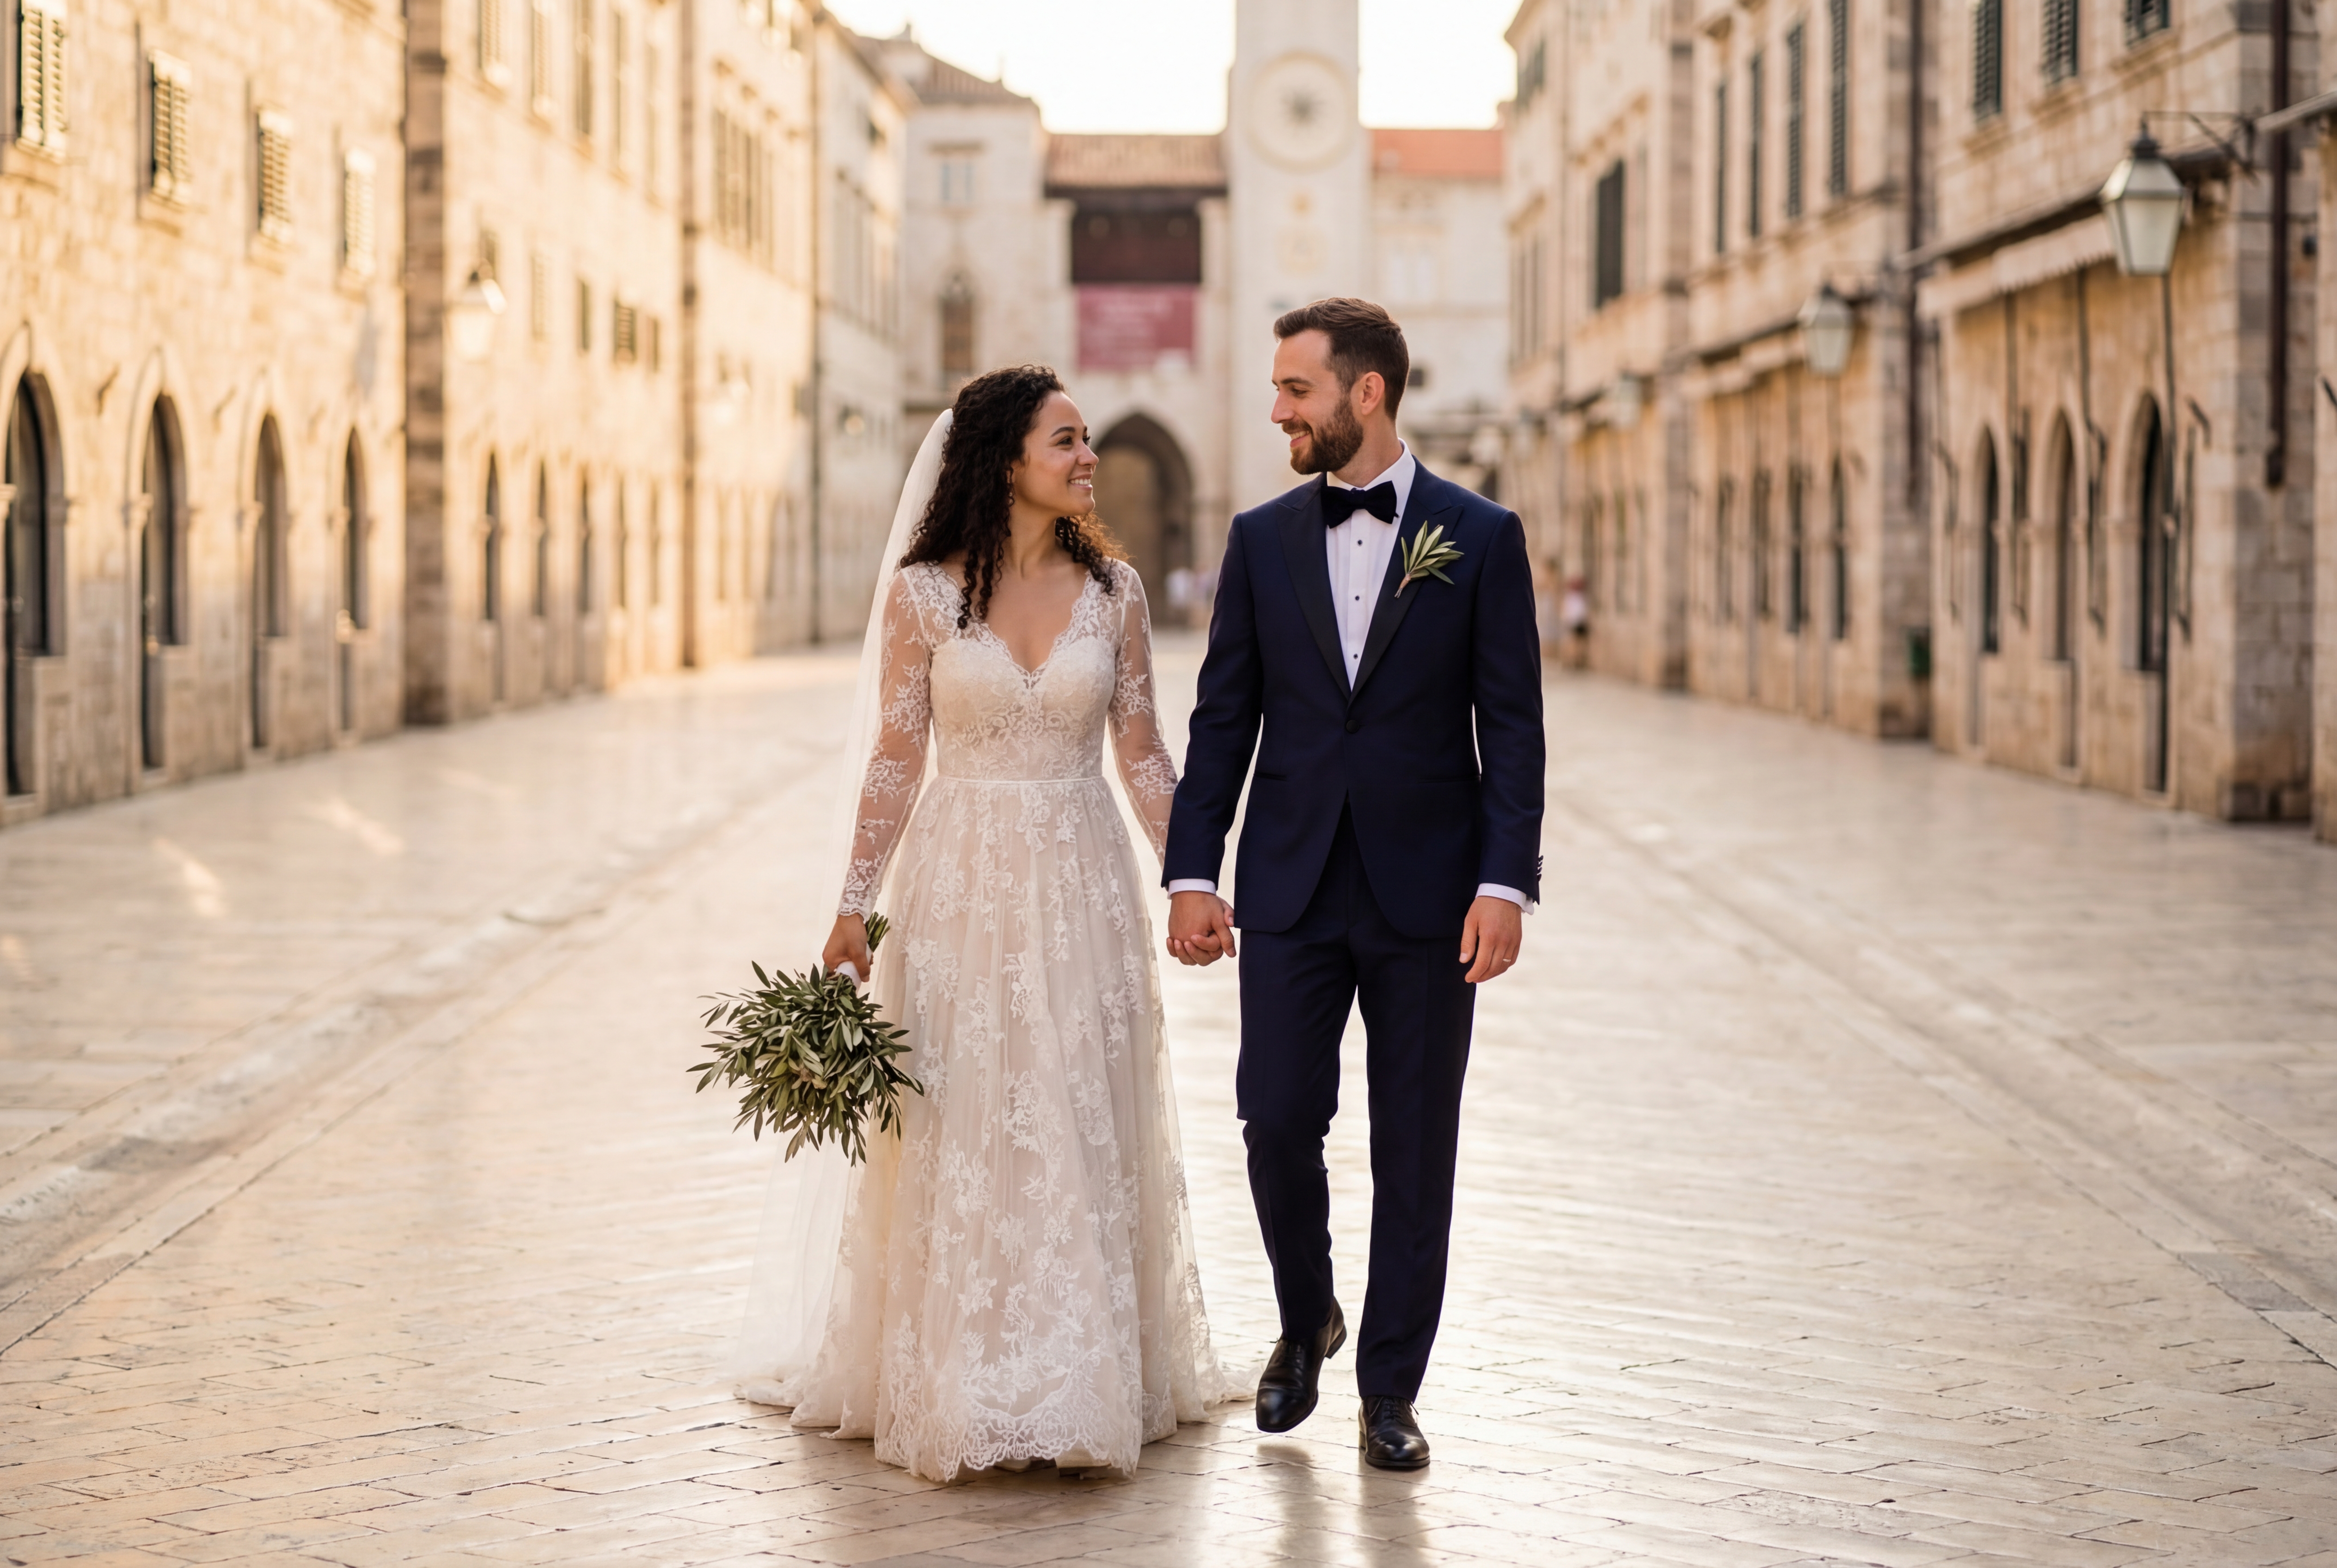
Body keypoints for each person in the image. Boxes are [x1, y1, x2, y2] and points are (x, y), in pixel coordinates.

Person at [730, 365, 1239, 1482]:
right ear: (1006, 457)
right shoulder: (921, 594)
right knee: (961, 1112)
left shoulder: (1116, 593)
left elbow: (1142, 750)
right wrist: (854, 906)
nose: (1087, 457)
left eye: (1088, 439)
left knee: (1074, 1104)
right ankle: (961, 1371)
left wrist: (1191, 876)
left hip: (1081, 884)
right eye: (1065, 440)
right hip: (956, 885)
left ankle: (1078, 1374)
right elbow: (894, 756)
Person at [1162, 298, 1545, 1471]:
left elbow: (1512, 726)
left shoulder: (1479, 537)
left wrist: (1503, 883)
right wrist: (1191, 869)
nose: (1276, 408)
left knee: (1415, 1142)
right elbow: (1222, 718)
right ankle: (1305, 1311)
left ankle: (1390, 1388)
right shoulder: (1261, 538)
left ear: (1363, 393)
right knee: (1275, 1116)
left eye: (1294, 390)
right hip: (1288, 884)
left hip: (1430, 893)